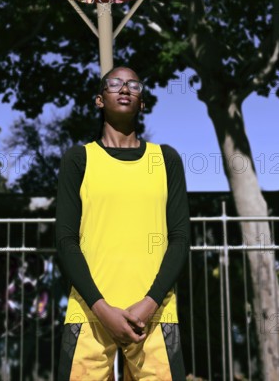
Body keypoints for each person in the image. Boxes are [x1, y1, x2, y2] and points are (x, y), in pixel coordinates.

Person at [56, 66, 190, 380]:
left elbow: (180, 237)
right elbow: (65, 239)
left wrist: (150, 302)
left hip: (154, 318)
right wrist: (101, 308)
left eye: (134, 84)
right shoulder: (79, 159)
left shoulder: (165, 159)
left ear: (142, 103)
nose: (125, 88)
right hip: (89, 315)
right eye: (114, 83)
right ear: (99, 100)